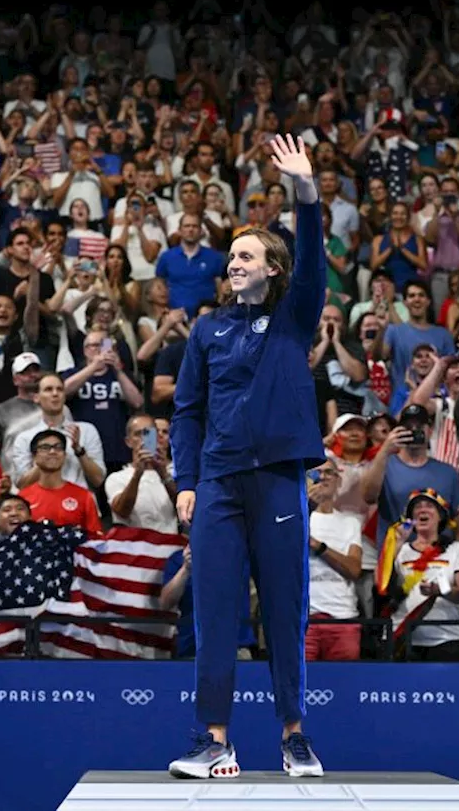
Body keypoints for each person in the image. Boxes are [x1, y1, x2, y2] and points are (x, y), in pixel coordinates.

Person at [168, 135, 325, 779]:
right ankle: (214, 742)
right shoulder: (208, 328)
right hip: (219, 485)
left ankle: (294, 736)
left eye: (245, 255)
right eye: (230, 256)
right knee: (214, 610)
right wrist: (186, 479)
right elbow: (187, 410)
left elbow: (313, 257)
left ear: (273, 268)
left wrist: (305, 194)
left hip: (279, 482)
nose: (232, 264)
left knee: (285, 609)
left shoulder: (295, 315)